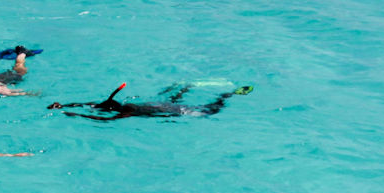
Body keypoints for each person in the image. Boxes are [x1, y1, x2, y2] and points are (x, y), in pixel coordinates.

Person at [48, 82, 252, 121]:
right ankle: (185, 87)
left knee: (211, 111)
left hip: (178, 111)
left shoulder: (127, 112)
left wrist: (72, 113)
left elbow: (102, 119)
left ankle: (231, 94)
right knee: (172, 98)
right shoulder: (123, 106)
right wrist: (63, 105)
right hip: (161, 106)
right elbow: (90, 104)